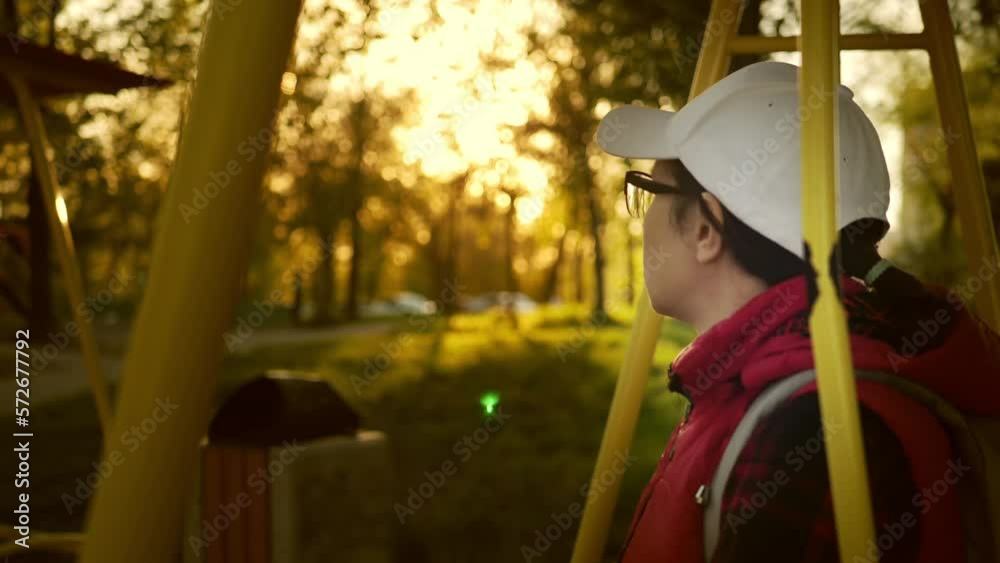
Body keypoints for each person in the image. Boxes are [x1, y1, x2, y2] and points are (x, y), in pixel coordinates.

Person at [594, 61, 1000, 563]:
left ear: (705, 229)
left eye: (647, 191)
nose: (639, 219)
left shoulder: (811, 435)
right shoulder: (772, 385)